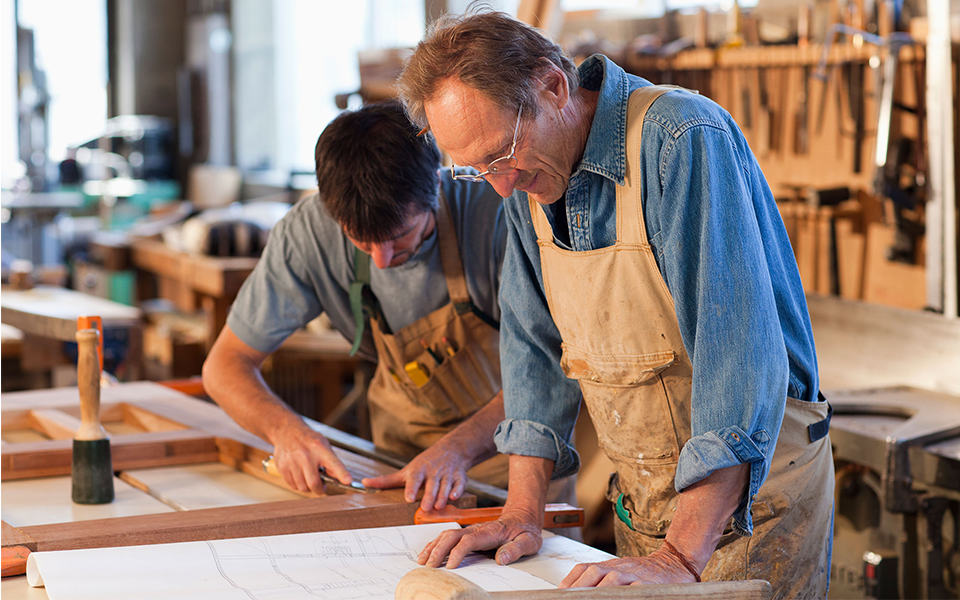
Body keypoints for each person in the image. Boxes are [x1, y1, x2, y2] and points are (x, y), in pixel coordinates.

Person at [397, 11, 834, 598]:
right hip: (647, 508)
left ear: (553, 86)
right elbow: (532, 352)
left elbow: (738, 365)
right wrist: (523, 512)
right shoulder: (525, 179)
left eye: (501, 155)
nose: (500, 185)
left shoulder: (680, 140)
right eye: (477, 171)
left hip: (751, 507)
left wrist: (680, 555)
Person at [203, 100, 561, 512]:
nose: (382, 260)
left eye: (401, 236)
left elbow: (547, 371)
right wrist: (286, 431)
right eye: (361, 241)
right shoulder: (307, 234)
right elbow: (224, 366)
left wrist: (457, 451)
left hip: (516, 466)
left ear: (437, 187)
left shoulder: (499, 214)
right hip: (396, 466)